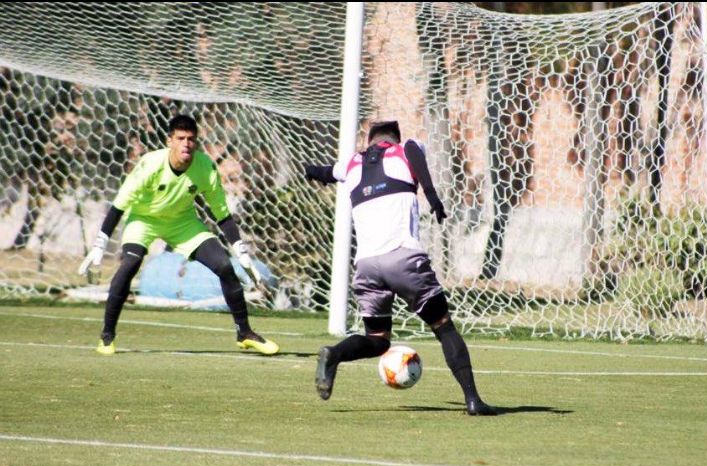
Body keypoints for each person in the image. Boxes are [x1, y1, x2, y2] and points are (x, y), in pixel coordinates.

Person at [304, 121, 496, 416]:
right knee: (443, 326)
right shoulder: (405, 148)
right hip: (403, 259)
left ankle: (335, 354)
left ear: (369, 143)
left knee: (378, 340)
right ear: (394, 139)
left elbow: (323, 172)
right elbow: (416, 156)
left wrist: (307, 169)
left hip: (367, 267)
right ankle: (473, 400)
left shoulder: (352, 163)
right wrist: (431, 196)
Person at [78, 114, 279, 356]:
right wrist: (100, 244)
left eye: (191, 139)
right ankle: (107, 336)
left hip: (183, 224)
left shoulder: (205, 167)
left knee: (225, 266)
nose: (186, 144)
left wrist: (240, 249)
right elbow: (119, 206)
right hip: (144, 220)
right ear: (170, 141)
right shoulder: (150, 164)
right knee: (130, 263)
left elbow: (222, 214)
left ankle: (244, 333)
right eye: (180, 138)